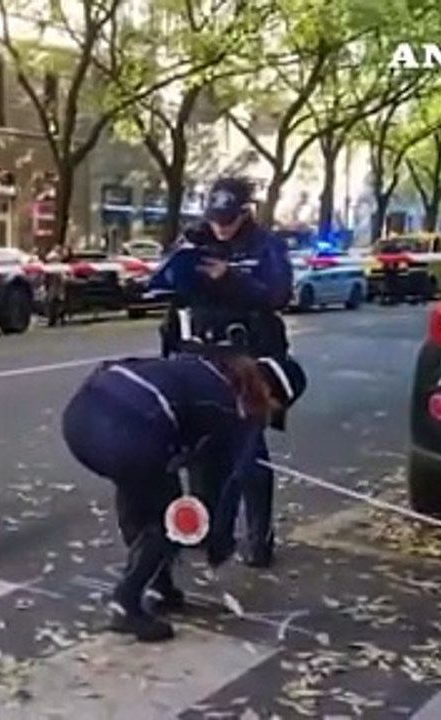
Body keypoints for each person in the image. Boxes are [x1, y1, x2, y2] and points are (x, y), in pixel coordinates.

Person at [61, 352, 307, 642]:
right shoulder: (231, 410)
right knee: (173, 517)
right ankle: (126, 603)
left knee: (138, 486)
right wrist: (218, 539)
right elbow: (219, 484)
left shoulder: (212, 367)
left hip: (81, 415)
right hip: (125, 426)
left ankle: (159, 585)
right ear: (270, 394)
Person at [157, 176, 293, 569]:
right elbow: (167, 291)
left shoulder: (266, 246)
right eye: (215, 218)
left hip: (248, 356)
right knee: (200, 448)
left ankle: (259, 537)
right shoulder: (194, 241)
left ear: (245, 212)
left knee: (249, 448)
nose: (221, 227)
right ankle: (210, 531)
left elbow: (279, 294)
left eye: (228, 219)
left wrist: (231, 278)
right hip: (198, 353)